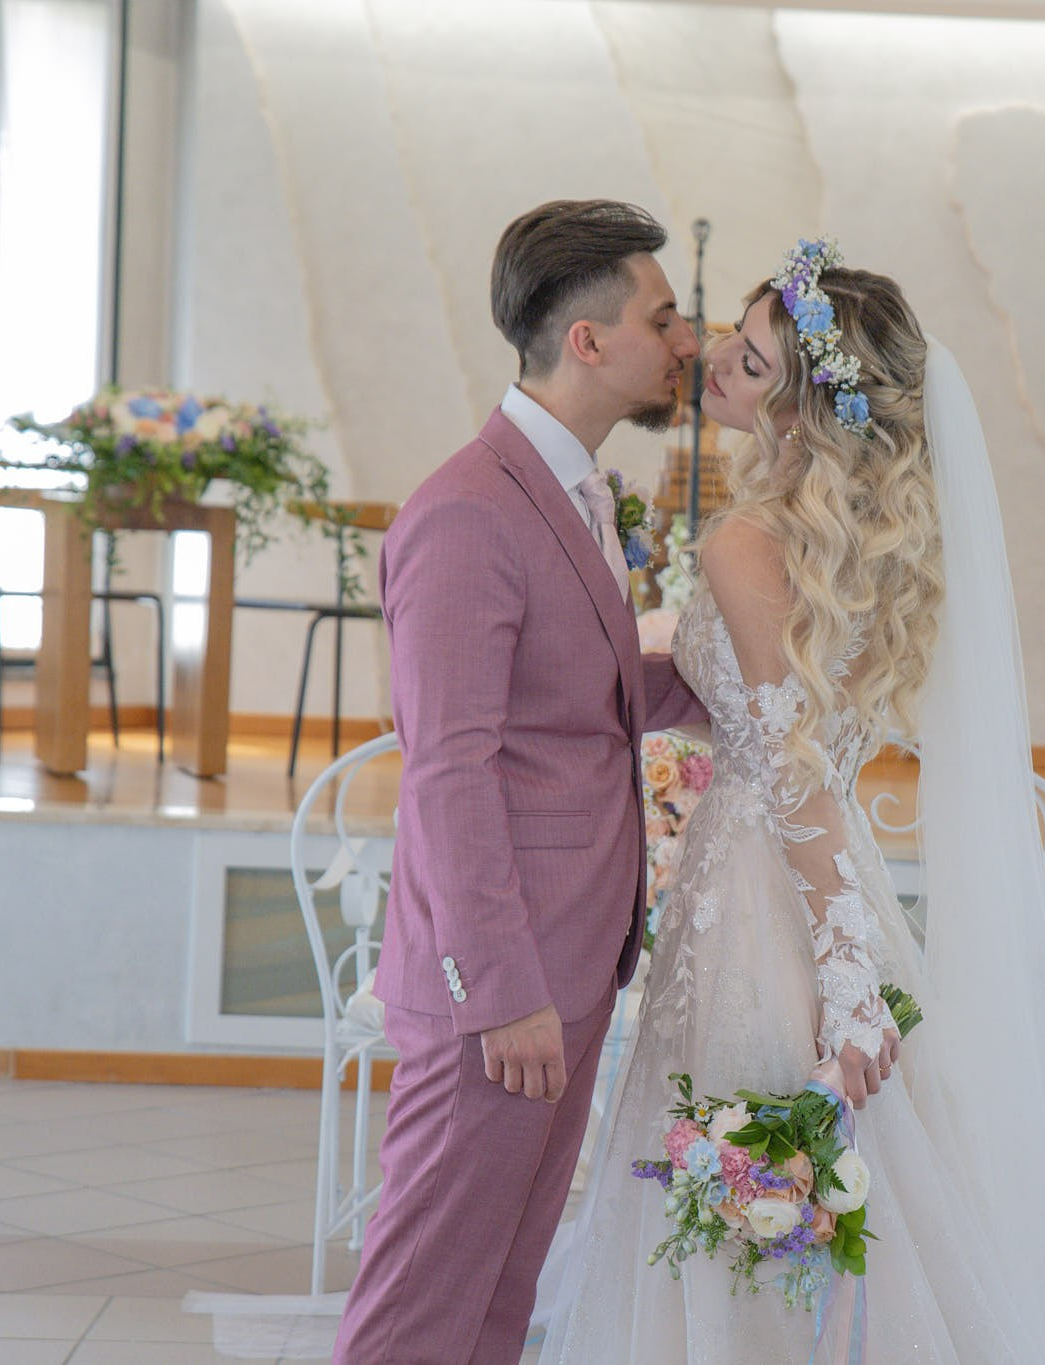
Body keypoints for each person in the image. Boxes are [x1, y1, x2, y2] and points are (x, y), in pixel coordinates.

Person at [535, 240, 1045, 1363]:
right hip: (826, 876)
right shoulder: (847, 545)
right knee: (828, 1176)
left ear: (800, 401)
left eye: (745, 359)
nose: (715, 369)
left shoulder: (746, 543)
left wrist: (842, 983)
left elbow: (784, 763)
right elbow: (774, 719)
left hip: (762, 886)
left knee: (762, 1140)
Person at [333, 199, 708, 1364]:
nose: (684, 340)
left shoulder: (575, 489)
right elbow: (447, 770)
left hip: (572, 954)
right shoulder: (466, 510)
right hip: (499, 987)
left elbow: (572, 703)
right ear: (587, 342)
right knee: (423, 1299)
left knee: (501, 1287)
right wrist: (498, 988)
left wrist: (735, 680)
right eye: (662, 316)